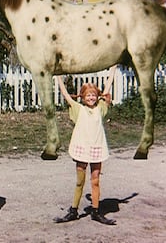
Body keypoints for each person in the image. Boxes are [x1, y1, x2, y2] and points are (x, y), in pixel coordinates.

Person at [54, 66, 117, 225]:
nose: (91, 98)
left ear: (97, 97)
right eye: (88, 95)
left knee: (95, 180)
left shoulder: (101, 108)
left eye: (93, 95)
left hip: (97, 149)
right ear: (83, 97)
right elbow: (65, 94)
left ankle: (96, 211)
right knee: (79, 181)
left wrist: (113, 69)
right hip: (82, 149)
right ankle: (73, 210)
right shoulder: (78, 108)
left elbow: (108, 86)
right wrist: (58, 75)